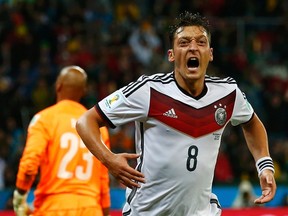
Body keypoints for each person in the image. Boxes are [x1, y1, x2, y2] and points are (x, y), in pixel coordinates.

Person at [76, 12, 276, 215]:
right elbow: (86, 121)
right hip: (148, 212)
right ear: (171, 54)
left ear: (210, 53)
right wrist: (108, 160)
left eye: (201, 42)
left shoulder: (228, 93)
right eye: (184, 42)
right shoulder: (148, 90)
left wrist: (264, 165)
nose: (193, 47)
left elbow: (251, 123)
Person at [13, 66, 111, 216]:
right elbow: (103, 179)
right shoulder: (99, 127)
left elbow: (29, 165)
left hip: (53, 206)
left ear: (58, 86)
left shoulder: (44, 119)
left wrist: (20, 195)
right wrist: (104, 211)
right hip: (90, 207)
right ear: (83, 91)